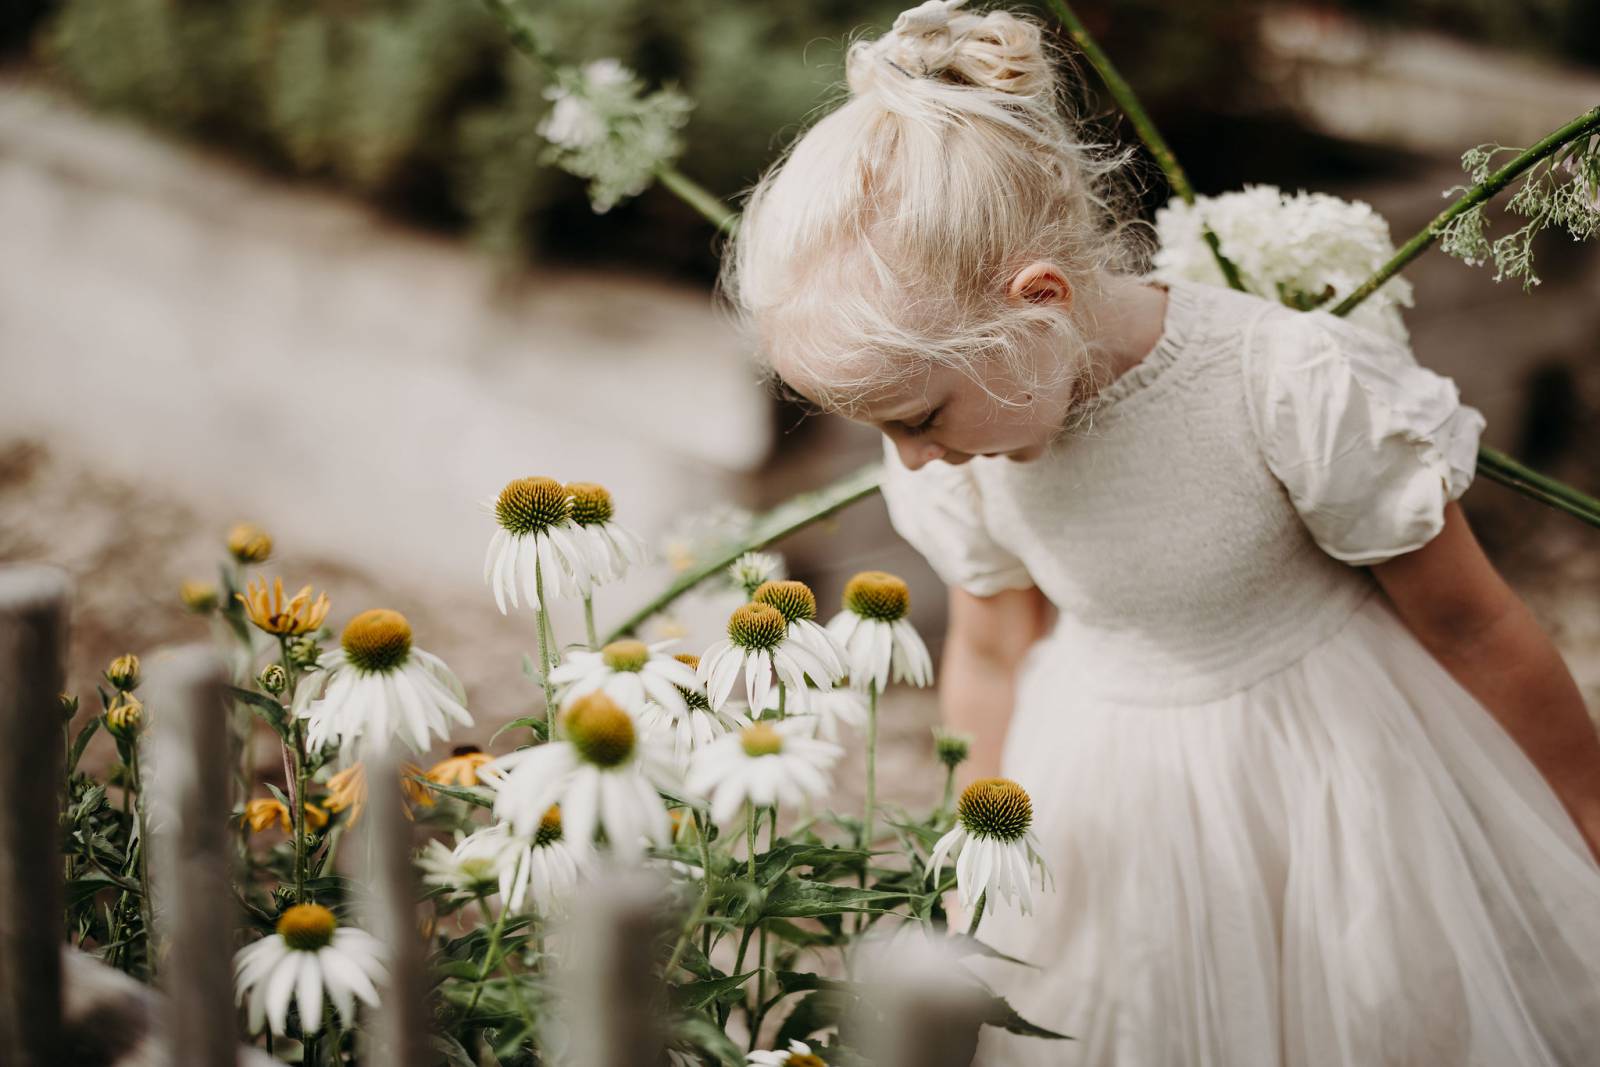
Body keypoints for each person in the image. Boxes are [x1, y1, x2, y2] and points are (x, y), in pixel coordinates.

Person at [720, 1, 1600, 1063]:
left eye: (917, 418)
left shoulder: (1278, 385)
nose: (908, 462)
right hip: (1100, 782)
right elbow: (994, 648)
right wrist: (978, 863)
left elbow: (1470, 623)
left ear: (1036, 306)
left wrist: (1583, 805)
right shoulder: (968, 461)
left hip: (1330, 776)